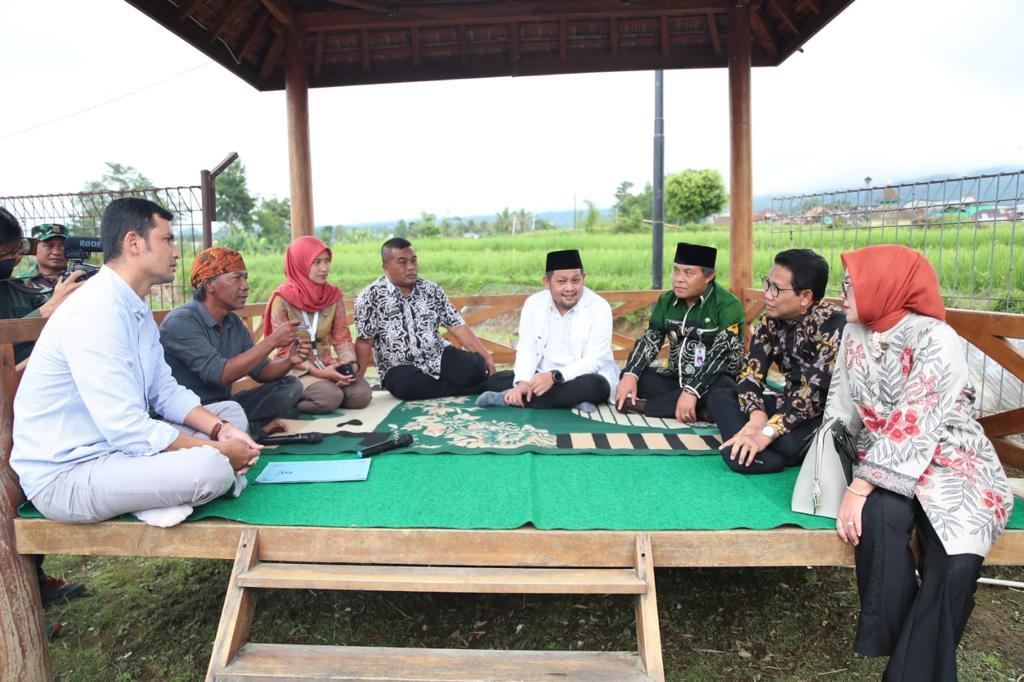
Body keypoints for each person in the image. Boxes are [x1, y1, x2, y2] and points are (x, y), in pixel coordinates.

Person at [10, 197, 261, 526]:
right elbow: (126, 427)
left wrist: (220, 431)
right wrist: (218, 452)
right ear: (133, 242)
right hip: (68, 474)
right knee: (210, 468)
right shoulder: (96, 311)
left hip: (118, 452)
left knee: (230, 414)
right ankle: (157, 495)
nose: (175, 252)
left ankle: (156, 492)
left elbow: (165, 391)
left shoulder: (134, 307)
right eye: (167, 239)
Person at [828, 244, 1012, 681]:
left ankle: (906, 669)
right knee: (878, 519)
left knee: (956, 557)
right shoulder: (854, 333)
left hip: (953, 458)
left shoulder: (935, 337)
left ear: (883, 286)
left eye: (851, 285)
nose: (842, 295)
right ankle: (904, 639)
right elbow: (841, 404)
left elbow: (918, 418)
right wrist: (828, 462)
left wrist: (858, 488)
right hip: (883, 457)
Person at [0, 208, 85, 638]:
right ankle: (16, 619)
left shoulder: (14, 288)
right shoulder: (24, 291)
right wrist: (50, 309)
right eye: (9, 253)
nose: (12, 262)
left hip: (20, 413)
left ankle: (32, 588)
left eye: (14, 254)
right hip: (10, 401)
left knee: (13, 505)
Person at [707, 248, 846, 474]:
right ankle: (747, 446)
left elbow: (811, 396)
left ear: (806, 297)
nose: (767, 295)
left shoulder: (833, 326)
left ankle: (747, 450)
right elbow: (750, 373)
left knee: (788, 444)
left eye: (777, 289)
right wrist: (756, 419)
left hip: (820, 414)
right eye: (767, 284)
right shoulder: (771, 321)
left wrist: (765, 434)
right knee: (720, 393)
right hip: (786, 404)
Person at [160, 246, 307, 436]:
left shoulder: (233, 323)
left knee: (290, 386)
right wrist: (271, 341)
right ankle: (249, 430)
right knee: (231, 410)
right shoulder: (181, 322)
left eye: (245, 277)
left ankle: (241, 429)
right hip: (189, 413)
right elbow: (220, 374)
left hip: (226, 407)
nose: (245, 285)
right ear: (209, 284)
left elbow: (261, 371)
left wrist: (289, 361)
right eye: (236, 278)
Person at [615, 242, 745, 422]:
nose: (678, 278)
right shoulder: (666, 301)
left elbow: (721, 357)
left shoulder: (728, 305)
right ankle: (698, 410)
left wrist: (692, 390)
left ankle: (648, 407)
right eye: (676, 270)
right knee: (633, 376)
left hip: (713, 380)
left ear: (709, 277)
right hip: (676, 378)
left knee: (723, 391)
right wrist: (631, 373)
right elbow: (651, 339)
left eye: (688, 273)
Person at [475, 249, 618, 411]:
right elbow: (527, 349)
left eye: (576, 280)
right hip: (541, 375)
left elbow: (594, 361)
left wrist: (555, 377)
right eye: (562, 282)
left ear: (583, 278)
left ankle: (507, 397)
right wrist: (522, 382)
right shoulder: (533, 304)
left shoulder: (599, 307)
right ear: (546, 282)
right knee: (497, 379)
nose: (570, 288)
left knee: (595, 386)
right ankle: (571, 401)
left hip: (583, 376)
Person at [354, 237, 495, 400]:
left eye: (414, 261)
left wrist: (486, 356)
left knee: (476, 368)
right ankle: (478, 387)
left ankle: (449, 386)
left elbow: (457, 325)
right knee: (405, 385)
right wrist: (359, 379)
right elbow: (365, 341)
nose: (411, 267)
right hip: (400, 367)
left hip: (437, 355)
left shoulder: (431, 290)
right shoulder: (370, 297)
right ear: (386, 267)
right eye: (402, 262)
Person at [264, 236, 372, 413]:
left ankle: (329, 393)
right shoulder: (282, 300)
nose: (324, 268)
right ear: (300, 263)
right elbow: (284, 351)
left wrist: (348, 366)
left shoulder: (333, 296)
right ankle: (285, 403)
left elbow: (342, 338)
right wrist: (319, 373)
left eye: (327, 261)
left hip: (328, 364)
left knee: (361, 395)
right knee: (330, 397)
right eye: (316, 262)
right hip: (297, 369)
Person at [22, 223, 70, 293]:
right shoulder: (22, 283)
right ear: (34, 248)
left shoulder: (82, 279)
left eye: (63, 246)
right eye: (49, 246)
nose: (56, 252)